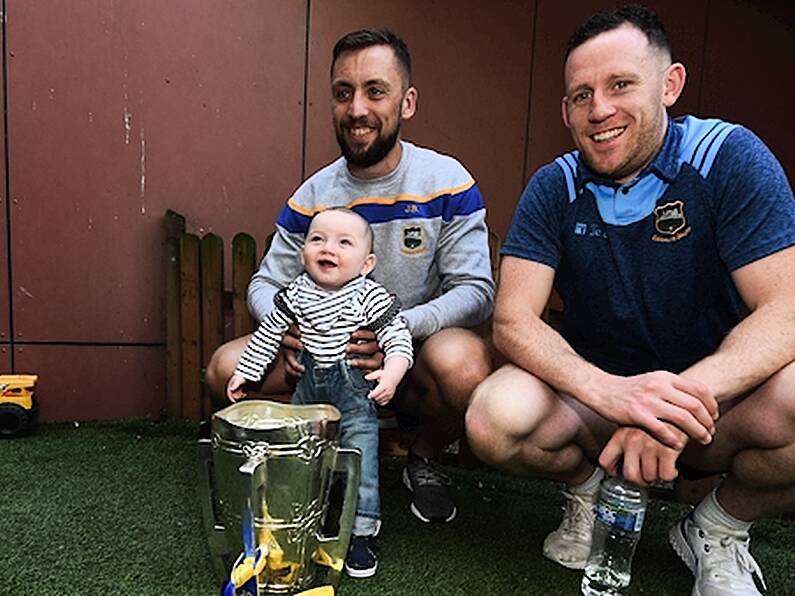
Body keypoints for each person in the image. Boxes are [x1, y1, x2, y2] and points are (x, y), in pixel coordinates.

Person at [465, 5, 795, 596]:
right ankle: (590, 495)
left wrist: (668, 405)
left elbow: (787, 310)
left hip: (716, 407)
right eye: (580, 95)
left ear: (670, 85)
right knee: (494, 416)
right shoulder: (555, 184)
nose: (600, 110)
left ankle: (718, 526)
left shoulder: (728, 157)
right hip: (602, 409)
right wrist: (615, 394)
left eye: (620, 85)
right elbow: (513, 321)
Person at [207, 26, 493, 531]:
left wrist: (395, 329)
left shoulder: (447, 182)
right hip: (320, 360)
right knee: (223, 367)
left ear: (407, 102)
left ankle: (422, 455)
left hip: (411, 358)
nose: (357, 108)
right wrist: (288, 328)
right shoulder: (312, 194)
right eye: (344, 93)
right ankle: (313, 454)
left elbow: (476, 292)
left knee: (465, 365)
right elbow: (263, 284)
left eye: (374, 91)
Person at [227, 207, 413, 578]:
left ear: (366, 263)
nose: (329, 248)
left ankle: (361, 531)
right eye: (318, 239)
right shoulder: (295, 294)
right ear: (303, 254)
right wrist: (245, 373)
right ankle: (300, 526)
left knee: (359, 464)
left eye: (344, 243)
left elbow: (398, 337)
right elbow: (267, 337)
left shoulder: (370, 297)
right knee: (301, 461)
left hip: (354, 397)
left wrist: (391, 373)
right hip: (307, 396)